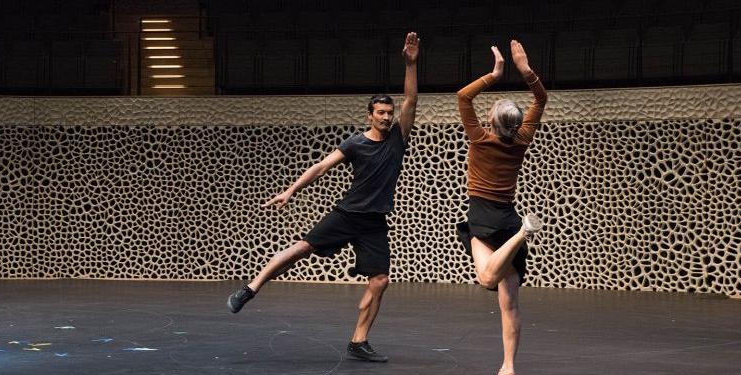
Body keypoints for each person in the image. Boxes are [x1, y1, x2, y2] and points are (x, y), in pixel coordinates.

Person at [226, 32, 420, 363]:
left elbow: (412, 100)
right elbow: (320, 167)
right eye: (381, 112)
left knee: (380, 281)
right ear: (369, 115)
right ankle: (250, 289)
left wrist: (411, 65)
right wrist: (290, 191)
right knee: (300, 250)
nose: (387, 116)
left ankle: (358, 341)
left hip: (373, 222)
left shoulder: (398, 138)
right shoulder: (355, 143)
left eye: (390, 112)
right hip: (348, 215)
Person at [455, 40, 547, 375]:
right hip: (507, 218)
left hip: (482, 217)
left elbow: (464, 97)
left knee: (485, 277)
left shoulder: (479, 138)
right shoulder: (522, 140)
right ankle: (508, 366)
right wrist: (526, 72)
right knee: (508, 303)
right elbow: (541, 99)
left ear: (492, 121)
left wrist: (495, 73)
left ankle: (524, 232)